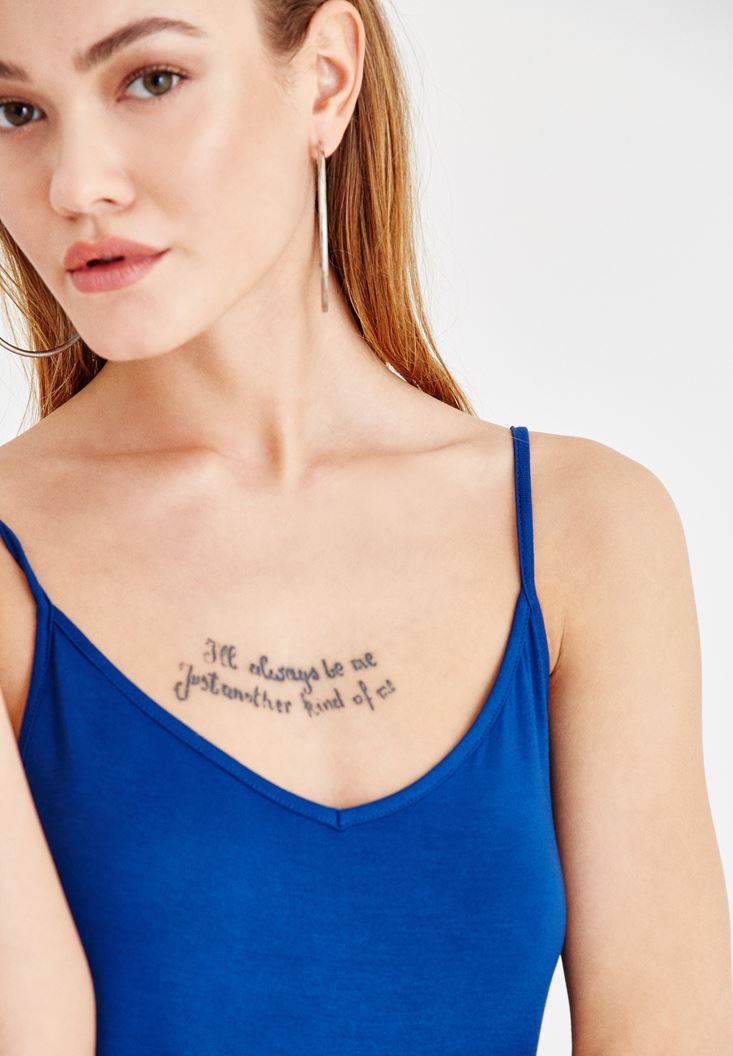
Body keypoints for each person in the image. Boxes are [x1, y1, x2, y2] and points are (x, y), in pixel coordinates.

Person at [0, 2, 731, 1054]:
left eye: (151, 80)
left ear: (327, 78)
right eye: (16, 110)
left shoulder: (585, 532)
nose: (76, 184)